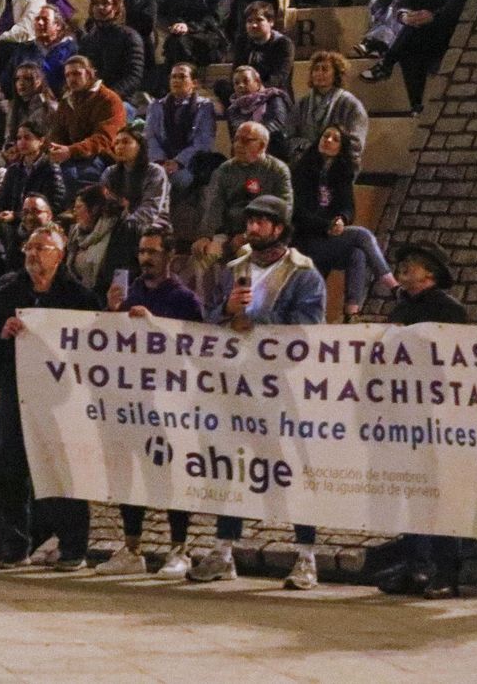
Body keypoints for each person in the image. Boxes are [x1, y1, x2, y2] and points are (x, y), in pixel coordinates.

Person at [188, 195, 327, 588]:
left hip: (282, 387)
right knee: (228, 464)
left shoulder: (304, 275)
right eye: (249, 221)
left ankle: (305, 555)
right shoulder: (233, 269)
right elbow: (210, 320)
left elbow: (307, 329)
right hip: (235, 383)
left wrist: (255, 318)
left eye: (261, 222)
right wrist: (226, 311)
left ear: (279, 228)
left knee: (290, 468)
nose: (252, 228)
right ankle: (223, 550)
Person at [0, 224, 101, 567]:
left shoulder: (80, 298)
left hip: (64, 400)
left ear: (59, 256)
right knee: (10, 468)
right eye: (29, 248)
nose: (32, 254)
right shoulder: (7, 294)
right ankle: (15, 546)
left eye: (41, 248)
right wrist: (2, 334)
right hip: (19, 394)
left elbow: (96, 347)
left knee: (63, 468)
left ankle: (73, 548)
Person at [98, 224, 206, 576]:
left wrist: (154, 325)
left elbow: (197, 348)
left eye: (153, 252)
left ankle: (180, 548)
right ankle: (132, 549)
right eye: (142, 252)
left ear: (169, 256)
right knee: (131, 472)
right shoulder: (132, 295)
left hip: (172, 402)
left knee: (172, 473)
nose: (145, 259)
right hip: (135, 401)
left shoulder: (185, 300)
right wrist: (114, 314)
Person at [370, 240, 472, 598]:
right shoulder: (403, 308)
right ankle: (416, 565)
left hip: (437, 416)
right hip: (404, 416)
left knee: (439, 492)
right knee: (412, 489)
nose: (404, 268)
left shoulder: (448, 310)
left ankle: (445, 569)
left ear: (431, 272)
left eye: (412, 263)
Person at [290, 125, 397, 317]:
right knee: (362, 235)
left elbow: (348, 207)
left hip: (329, 238)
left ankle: (351, 314)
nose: (328, 140)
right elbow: (297, 213)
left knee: (357, 254)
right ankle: (393, 285)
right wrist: (327, 226)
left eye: (335, 139)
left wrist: (341, 219)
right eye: (325, 136)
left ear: (341, 148)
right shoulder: (301, 171)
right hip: (306, 240)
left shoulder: (342, 173)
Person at [362, 0, 467, 112]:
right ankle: (416, 105)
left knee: (412, 35)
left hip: (444, 30)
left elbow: (453, 9)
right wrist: (405, 16)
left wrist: (432, 16)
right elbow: (398, 6)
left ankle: (386, 64)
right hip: (417, 31)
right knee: (411, 42)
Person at [196, 122, 292, 255]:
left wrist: (249, 235)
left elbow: (284, 209)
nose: (239, 145)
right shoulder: (224, 169)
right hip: (228, 232)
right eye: (236, 139)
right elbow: (213, 205)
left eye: (247, 140)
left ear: (262, 145)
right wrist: (205, 236)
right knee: (204, 252)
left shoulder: (278, 170)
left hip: (263, 234)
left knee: (245, 253)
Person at [47, 55, 127, 197]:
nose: (71, 79)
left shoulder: (109, 99)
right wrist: (54, 148)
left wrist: (71, 151)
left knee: (74, 174)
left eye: (77, 74)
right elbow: (57, 131)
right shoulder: (67, 101)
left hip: (102, 157)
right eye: (68, 75)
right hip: (72, 154)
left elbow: (105, 139)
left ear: (89, 74)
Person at [145, 62, 218, 204]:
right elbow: (150, 137)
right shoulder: (156, 106)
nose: (176, 81)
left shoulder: (204, 107)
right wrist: (161, 161)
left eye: (182, 77)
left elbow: (203, 141)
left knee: (177, 179)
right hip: (160, 162)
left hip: (189, 163)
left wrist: (178, 161)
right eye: (173, 77)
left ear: (194, 83)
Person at [289, 51, 368, 161]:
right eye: (316, 69)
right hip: (306, 161)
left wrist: (330, 148)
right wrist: (308, 148)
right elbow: (290, 136)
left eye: (325, 69)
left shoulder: (351, 104)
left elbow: (356, 143)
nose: (319, 73)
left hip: (339, 164)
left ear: (336, 74)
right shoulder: (302, 103)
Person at [76, 0, 144, 103]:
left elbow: (133, 77)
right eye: (96, 3)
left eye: (105, 3)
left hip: (121, 100)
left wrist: (108, 96)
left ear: (116, 8)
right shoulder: (88, 39)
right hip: (92, 100)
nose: (99, 7)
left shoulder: (129, 37)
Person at [227, 65, 292, 164]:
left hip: (271, 148)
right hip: (245, 152)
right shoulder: (233, 110)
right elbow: (236, 135)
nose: (240, 85)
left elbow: (277, 124)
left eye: (246, 81)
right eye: (236, 83)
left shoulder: (274, 98)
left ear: (257, 83)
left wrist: (254, 140)